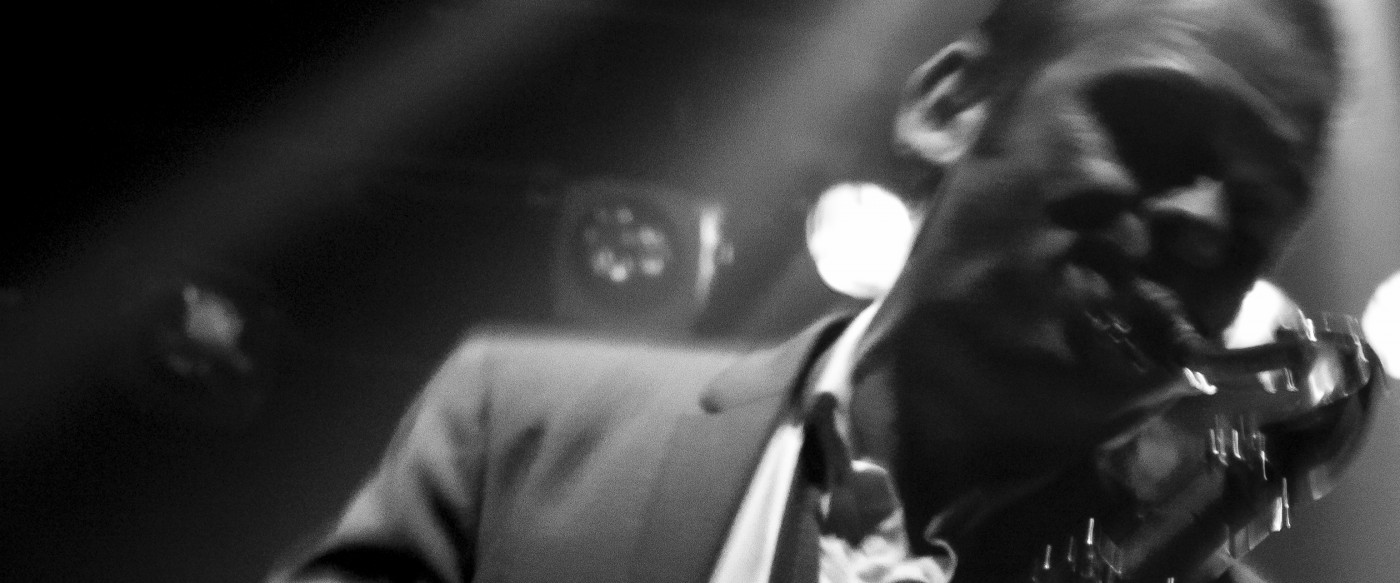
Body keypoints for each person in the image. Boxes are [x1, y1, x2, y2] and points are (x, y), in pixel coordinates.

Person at [269, 0, 1379, 581]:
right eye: (1158, 125)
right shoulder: (517, 426)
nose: (1202, 223)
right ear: (948, 106)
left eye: (1256, 211)